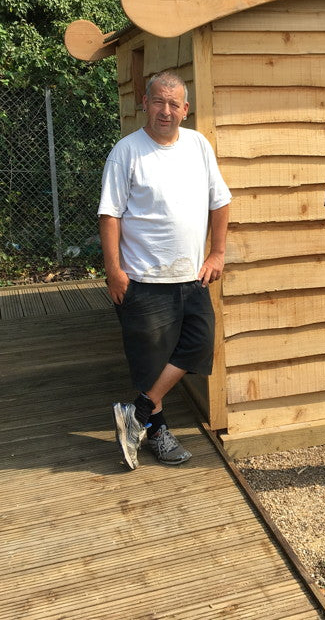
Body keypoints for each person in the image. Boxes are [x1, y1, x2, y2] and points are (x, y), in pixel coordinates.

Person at [98, 70, 231, 470]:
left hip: (192, 277)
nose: (166, 110)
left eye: (174, 104)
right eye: (159, 101)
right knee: (150, 362)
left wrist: (218, 252)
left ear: (185, 109)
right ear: (145, 103)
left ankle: (135, 414)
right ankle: (156, 431)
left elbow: (220, 200)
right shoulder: (127, 151)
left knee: (199, 345)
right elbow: (109, 215)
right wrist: (113, 271)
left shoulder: (198, 145)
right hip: (143, 278)